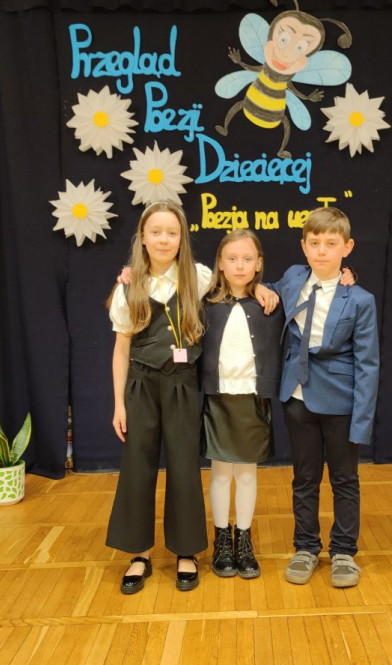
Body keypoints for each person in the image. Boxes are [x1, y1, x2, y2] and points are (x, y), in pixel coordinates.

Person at [105, 202, 279, 594]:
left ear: (182, 238)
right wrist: (118, 403)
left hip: (182, 384)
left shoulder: (198, 278)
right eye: (156, 232)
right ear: (143, 238)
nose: (164, 240)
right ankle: (139, 554)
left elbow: (237, 283)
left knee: (184, 465)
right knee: (138, 467)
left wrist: (259, 287)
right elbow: (120, 351)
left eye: (172, 233)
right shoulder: (128, 287)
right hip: (141, 386)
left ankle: (186, 550)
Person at [270, 207, 380, 588]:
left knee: (345, 479)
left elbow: (368, 364)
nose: (321, 251)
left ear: (346, 248)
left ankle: (344, 551)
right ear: (303, 246)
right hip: (297, 396)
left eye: (331, 244)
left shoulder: (359, 299)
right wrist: (258, 288)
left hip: (341, 403)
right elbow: (266, 287)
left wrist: (362, 422)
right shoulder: (293, 277)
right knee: (304, 477)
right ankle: (305, 547)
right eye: (314, 243)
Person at [200, 229, 284, 579]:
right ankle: (222, 539)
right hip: (219, 399)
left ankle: (244, 539)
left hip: (252, 397)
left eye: (248, 259)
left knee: (247, 472)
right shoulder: (204, 301)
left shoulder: (271, 301)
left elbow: (308, 280)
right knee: (221, 471)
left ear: (259, 264)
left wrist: (349, 273)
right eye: (232, 258)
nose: (239, 265)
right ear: (219, 263)